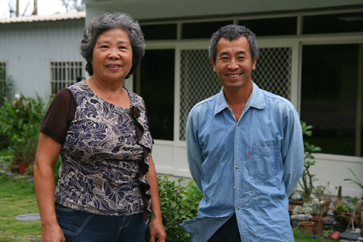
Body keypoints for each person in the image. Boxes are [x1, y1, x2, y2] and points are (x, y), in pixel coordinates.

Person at [34, 13, 166, 242]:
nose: (114, 54)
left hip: (133, 224)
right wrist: (49, 225)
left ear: (132, 57)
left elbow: (147, 163)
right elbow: (42, 164)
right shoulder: (69, 98)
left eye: (123, 48)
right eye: (104, 46)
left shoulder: (138, 103)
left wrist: (156, 218)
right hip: (81, 223)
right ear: (90, 55)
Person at [181, 24, 304, 242]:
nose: (233, 65)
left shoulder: (281, 112)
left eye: (241, 57)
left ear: (254, 62)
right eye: (224, 58)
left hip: (267, 228)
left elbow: (291, 173)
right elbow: (200, 172)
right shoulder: (199, 115)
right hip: (216, 228)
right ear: (213, 64)